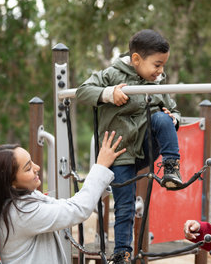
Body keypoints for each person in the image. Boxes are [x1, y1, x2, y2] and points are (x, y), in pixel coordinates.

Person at [76, 29, 183, 263]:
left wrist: (173, 118)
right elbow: (82, 91)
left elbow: (174, 109)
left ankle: (171, 167)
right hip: (120, 152)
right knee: (125, 206)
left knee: (163, 119)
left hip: (146, 146)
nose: (160, 71)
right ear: (136, 59)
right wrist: (108, 94)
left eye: (163, 65)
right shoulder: (112, 75)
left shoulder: (156, 83)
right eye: (157, 64)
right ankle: (122, 254)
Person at [0, 131, 126, 264]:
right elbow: (76, 210)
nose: (37, 167)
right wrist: (100, 167)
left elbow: (66, 205)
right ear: (12, 183)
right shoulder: (21, 211)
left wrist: (105, 184)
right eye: (28, 168)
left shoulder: (23, 200)